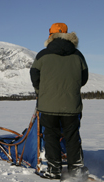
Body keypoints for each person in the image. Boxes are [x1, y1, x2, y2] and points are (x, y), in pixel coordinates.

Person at [30, 23, 89, 180]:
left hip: (47, 106)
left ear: (51, 35)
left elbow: (35, 77)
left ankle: (54, 170)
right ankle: (76, 170)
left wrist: (41, 91)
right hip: (72, 105)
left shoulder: (42, 55)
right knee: (72, 137)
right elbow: (83, 79)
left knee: (51, 137)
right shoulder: (78, 55)